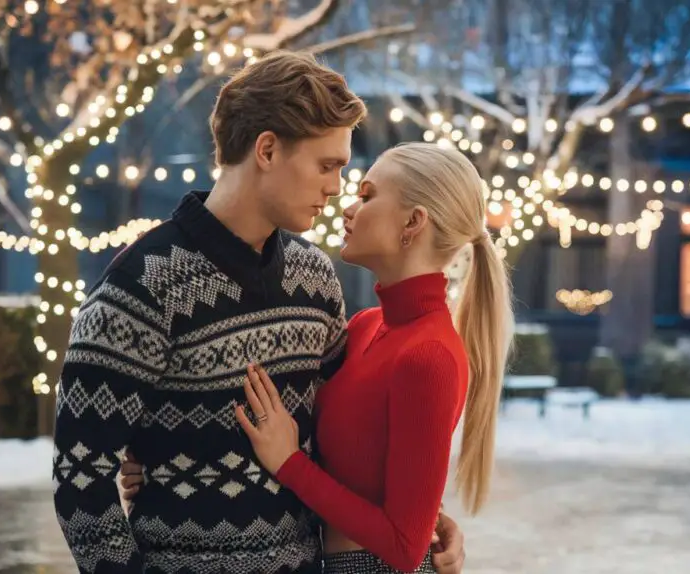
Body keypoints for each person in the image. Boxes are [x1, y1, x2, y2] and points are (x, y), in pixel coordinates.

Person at [52, 50, 466, 574]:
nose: (337, 188)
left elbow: (342, 444)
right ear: (267, 149)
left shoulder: (315, 281)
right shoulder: (142, 283)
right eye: (327, 165)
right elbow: (80, 481)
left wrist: (423, 516)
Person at [121, 142, 514, 572]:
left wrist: (289, 463)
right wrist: (166, 458)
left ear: (413, 222)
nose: (348, 208)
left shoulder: (430, 356)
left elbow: (403, 546)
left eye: (366, 196)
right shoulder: (365, 326)